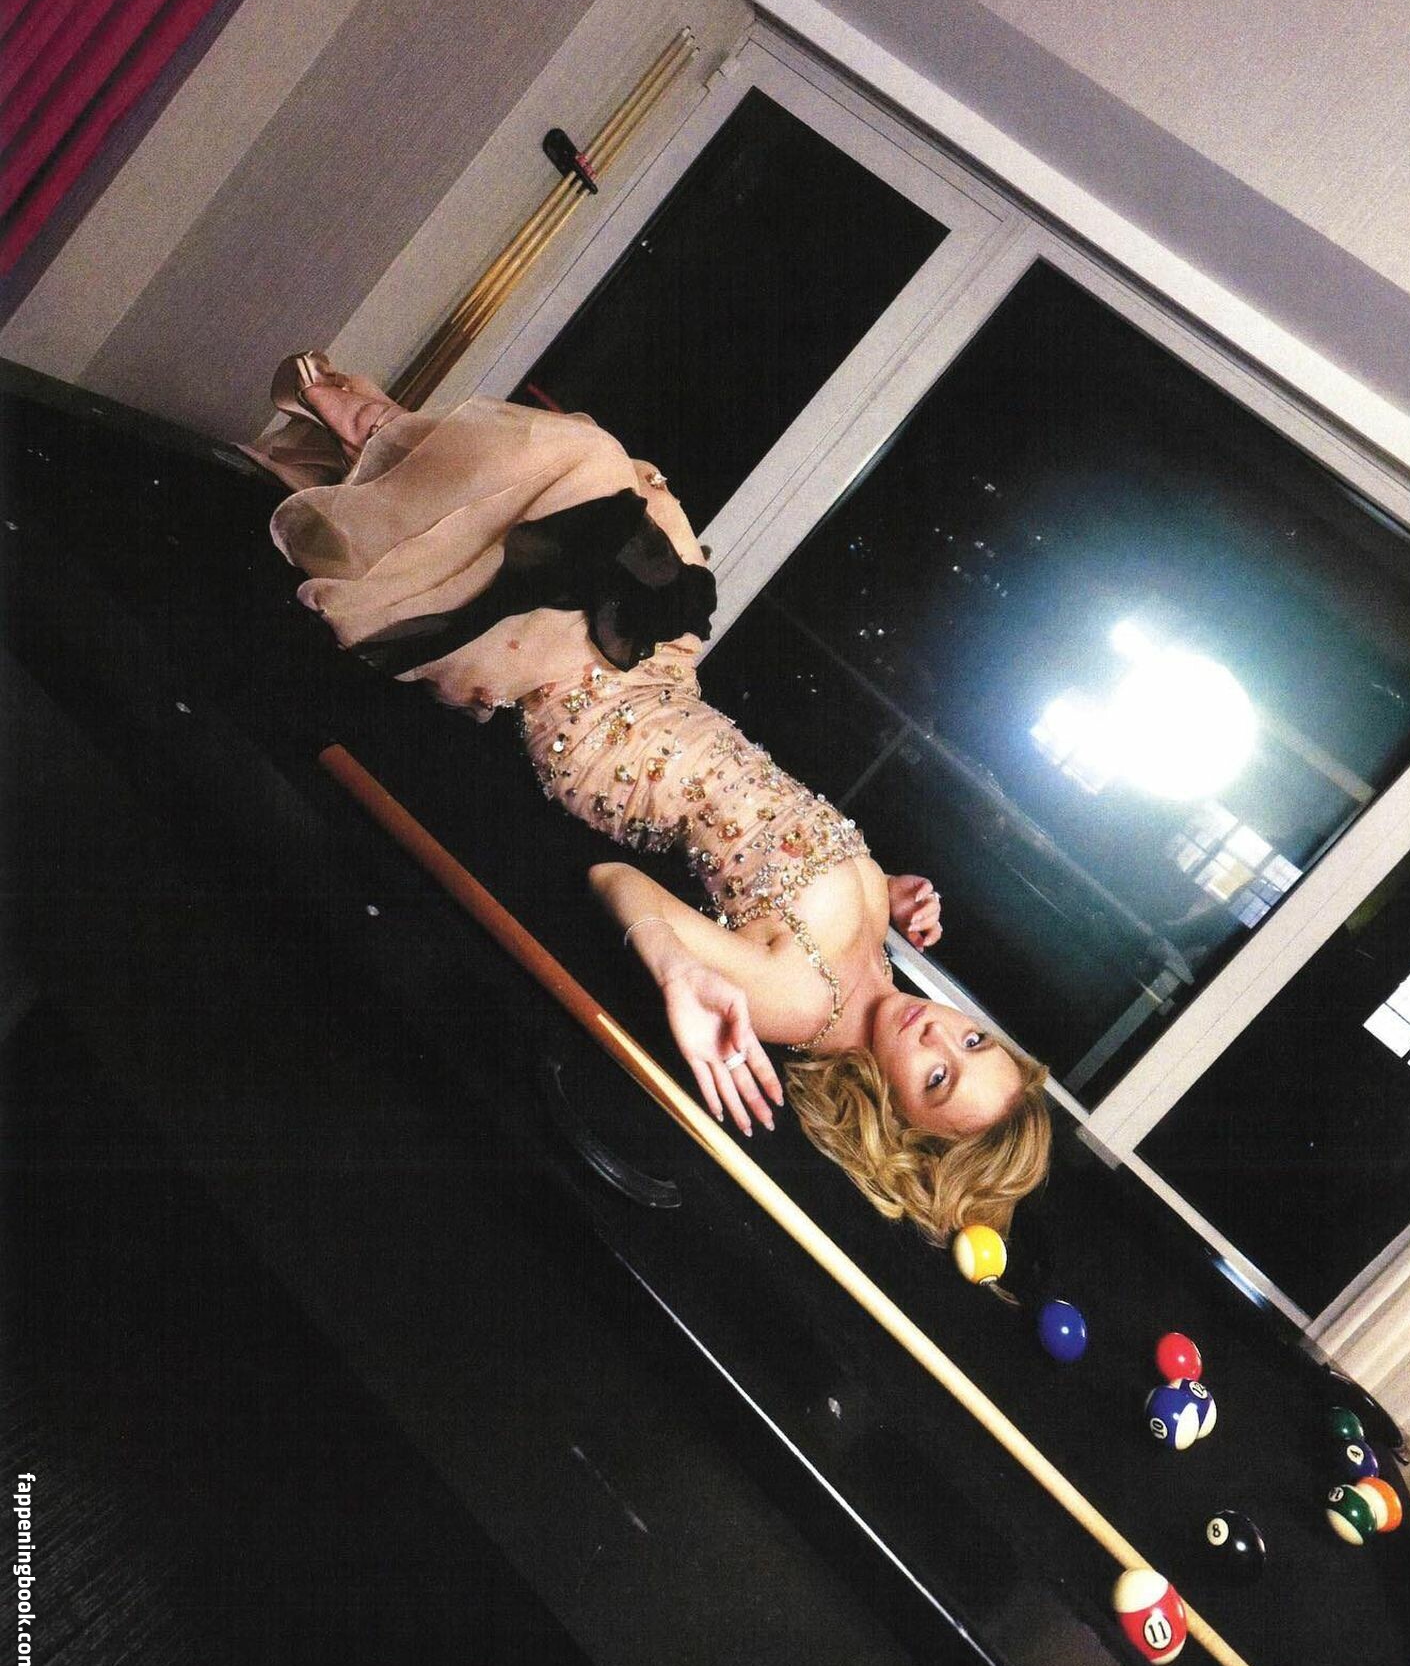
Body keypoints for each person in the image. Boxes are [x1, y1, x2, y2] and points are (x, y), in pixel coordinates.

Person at [256, 355, 1052, 1243]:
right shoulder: (877, 964)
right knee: (615, 506)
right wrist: (886, 890)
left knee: (581, 478)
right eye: (972, 1042)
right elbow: (785, 847)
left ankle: (362, 424)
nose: (938, 1037)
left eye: (937, 1079)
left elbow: (619, 883)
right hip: (666, 691)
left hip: (606, 730)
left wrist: (678, 966)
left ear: (896, 1118)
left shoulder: (802, 1003)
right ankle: (362, 434)